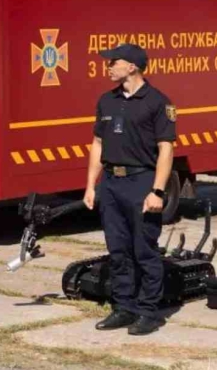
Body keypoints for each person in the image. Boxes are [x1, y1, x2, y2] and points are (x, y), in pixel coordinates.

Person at [84, 43, 176, 336]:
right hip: (111, 184)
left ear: (132, 67)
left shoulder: (157, 102)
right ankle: (123, 307)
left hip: (141, 182)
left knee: (144, 250)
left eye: (114, 62)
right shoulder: (106, 101)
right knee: (118, 250)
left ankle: (148, 311)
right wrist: (91, 185)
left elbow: (166, 149)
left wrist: (158, 191)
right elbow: (97, 145)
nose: (108, 66)